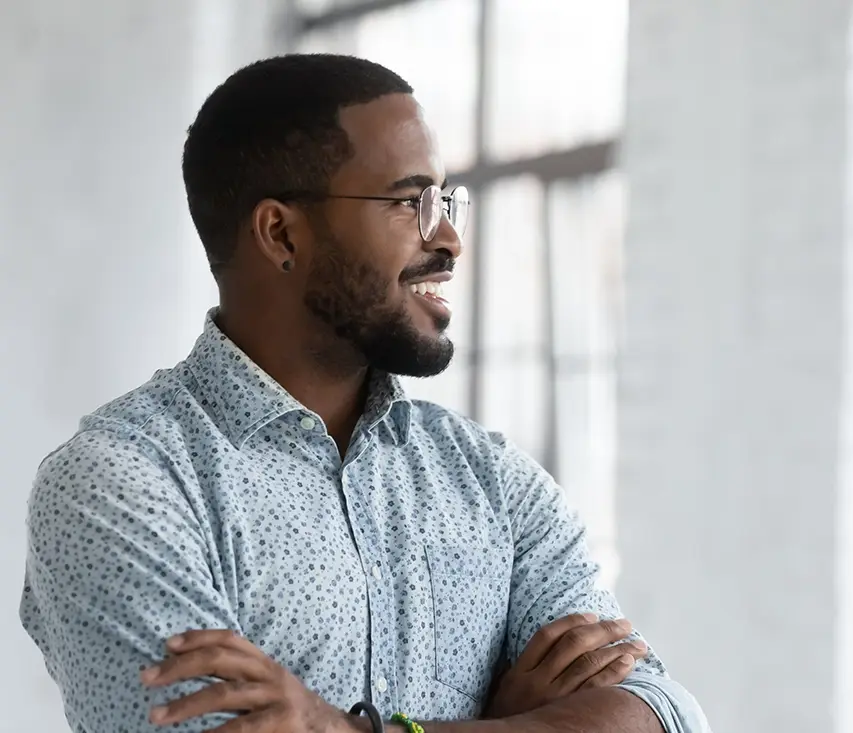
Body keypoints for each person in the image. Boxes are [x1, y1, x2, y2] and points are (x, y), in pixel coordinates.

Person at [19, 54, 710, 733]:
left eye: (446, 201)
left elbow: (669, 715)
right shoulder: (117, 483)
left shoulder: (493, 482)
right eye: (412, 202)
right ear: (281, 233)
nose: (449, 238)